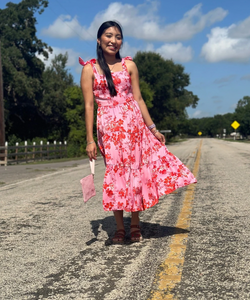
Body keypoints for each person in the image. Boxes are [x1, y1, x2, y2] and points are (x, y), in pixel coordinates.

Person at [79, 21, 197, 244]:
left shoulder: (129, 66)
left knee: (134, 173)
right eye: (108, 35)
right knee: (116, 174)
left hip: (134, 127)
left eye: (118, 37)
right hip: (109, 130)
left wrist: (152, 128)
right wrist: (89, 140)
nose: (114, 41)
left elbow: (139, 99)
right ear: (98, 39)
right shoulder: (89, 69)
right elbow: (88, 106)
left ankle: (134, 225)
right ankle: (119, 229)